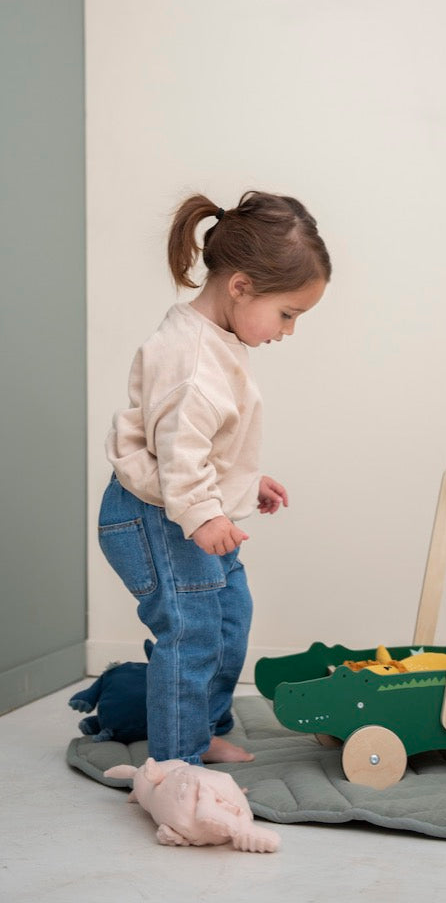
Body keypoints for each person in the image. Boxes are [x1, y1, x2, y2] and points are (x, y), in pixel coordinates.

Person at [98, 190, 331, 765]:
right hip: (157, 514)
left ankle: (197, 729)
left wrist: (244, 483)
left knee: (231, 617)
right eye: (287, 314)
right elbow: (178, 457)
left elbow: (197, 443)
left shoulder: (216, 341)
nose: (288, 331)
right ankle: (177, 763)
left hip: (185, 505)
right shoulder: (193, 359)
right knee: (194, 630)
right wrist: (205, 511)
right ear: (241, 286)